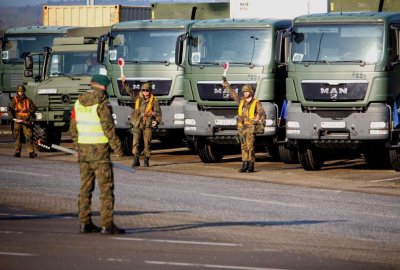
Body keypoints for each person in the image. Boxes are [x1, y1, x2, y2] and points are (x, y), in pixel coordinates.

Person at [70, 74, 125, 235]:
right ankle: (107, 225)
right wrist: (118, 149)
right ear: (104, 86)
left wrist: (77, 147)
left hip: (84, 153)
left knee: (85, 189)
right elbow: (108, 128)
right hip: (100, 154)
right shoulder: (102, 102)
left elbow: (73, 128)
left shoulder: (79, 101)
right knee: (106, 189)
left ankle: (84, 223)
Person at [222, 79, 266, 173]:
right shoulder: (241, 101)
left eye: (247, 91)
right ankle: (244, 164)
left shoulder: (256, 103)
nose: (245, 93)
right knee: (243, 147)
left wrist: (259, 120)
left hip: (250, 128)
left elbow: (262, 114)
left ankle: (251, 165)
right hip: (242, 128)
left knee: (250, 147)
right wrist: (226, 85)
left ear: (251, 92)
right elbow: (233, 94)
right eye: (244, 92)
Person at [121, 75, 162, 167]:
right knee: (135, 142)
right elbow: (130, 92)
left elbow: (158, 112)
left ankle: (146, 159)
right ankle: (136, 159)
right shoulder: (138, 98)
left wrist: (157, 121)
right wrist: (124, 83)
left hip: (147, 124)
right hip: (137, 123)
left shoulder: (154, 101)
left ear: (150, 91)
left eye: (147, 91)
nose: (145, 92)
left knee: (147, 142)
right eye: (143, 90)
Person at [7, 84, 37, 158]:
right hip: (17, 121)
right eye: (20, 91)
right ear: (17, 92)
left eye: (22, 91)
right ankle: (17, 152)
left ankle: (31, 152)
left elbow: (34, 108)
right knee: (18, 137)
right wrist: (12, 118)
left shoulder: (28, 100)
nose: (21, 93)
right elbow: (9, 109)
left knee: (29, 137)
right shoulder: (14, 100)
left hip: (26, 121)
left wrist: (29, 112)